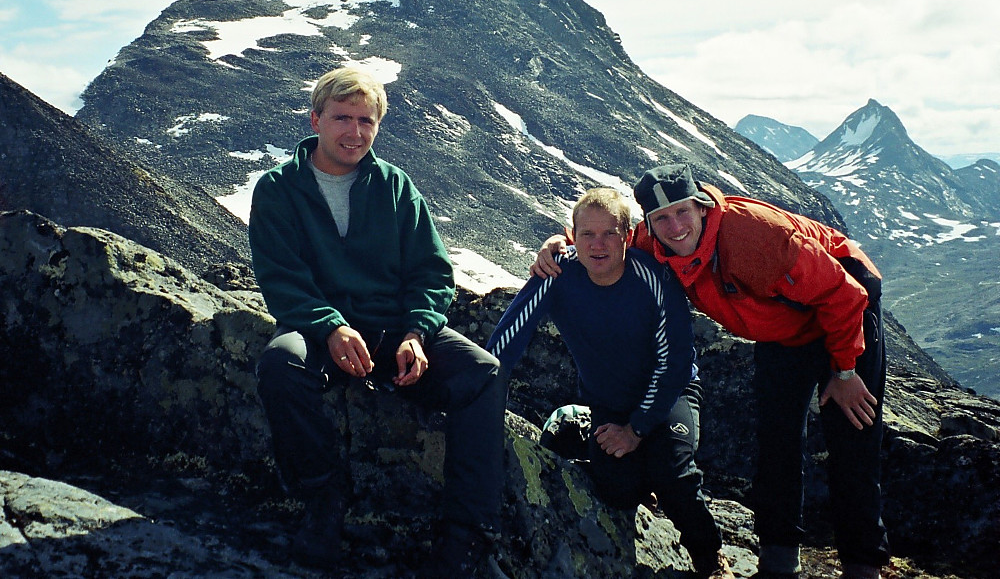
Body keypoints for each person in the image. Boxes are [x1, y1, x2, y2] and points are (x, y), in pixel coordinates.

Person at [532, 164, 889, 579]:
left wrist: (844, 371)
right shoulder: (648, 241)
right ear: (647, 225)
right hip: (782, 329)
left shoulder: (757, 236)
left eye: (683, 211)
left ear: (702, 207)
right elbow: (598, 231)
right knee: (777, 440)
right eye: (661, 218)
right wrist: (555, 243)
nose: (675, 226)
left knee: (853, 434)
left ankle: (863, 567)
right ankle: (779, 563)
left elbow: (843, 292)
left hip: (843, 306)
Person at [250, 67, 506, 577]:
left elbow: (432, 272)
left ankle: (466, 535)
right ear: (316, 119)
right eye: (343, 118)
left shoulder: (395, 186)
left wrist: (416, 333)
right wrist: (330, 327)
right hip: (319, 329)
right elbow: (281, 278)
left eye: (367, 121)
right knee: (281, 365)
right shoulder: (279, 189)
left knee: (482, 373)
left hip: (391, 329)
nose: (355, 132)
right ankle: (323, 496)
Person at [488, 188, 734, 579]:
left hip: (670, 394)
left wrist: (635, 430)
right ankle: (602, 441)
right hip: (609, 402)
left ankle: (710, 559)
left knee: (673, 474)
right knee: (616, 490)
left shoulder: (653, 278)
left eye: (609, 234)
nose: (598, 245)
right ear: (573, 236)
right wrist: (483, 399)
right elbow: (508, 338)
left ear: (627, 234)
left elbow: (674, 364)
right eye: (587, 234)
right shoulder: (558, 274)